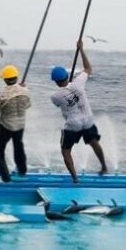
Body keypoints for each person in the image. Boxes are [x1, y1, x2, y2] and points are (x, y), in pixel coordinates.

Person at [50, 41, 107, 183]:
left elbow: (59, 104)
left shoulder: (55, 96)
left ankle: (75, 178)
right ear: (67, 76)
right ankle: (104, 167)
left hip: (73, 125)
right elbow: (88, 68)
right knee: (94, 142)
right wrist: (81, 50)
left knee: (66, 151)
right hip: (87, 120)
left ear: (56, 82)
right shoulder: (78, 82)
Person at [0, 65, 31, 182]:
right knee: (18, 146)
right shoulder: (26, 91)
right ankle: (22, 171)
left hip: (7, 126)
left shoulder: (1, 96)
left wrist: (0, 121)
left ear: (4, 79)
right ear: (16, 77)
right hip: (21, 124)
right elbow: (28, 105)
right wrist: (22, 88)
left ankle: (5, 178)